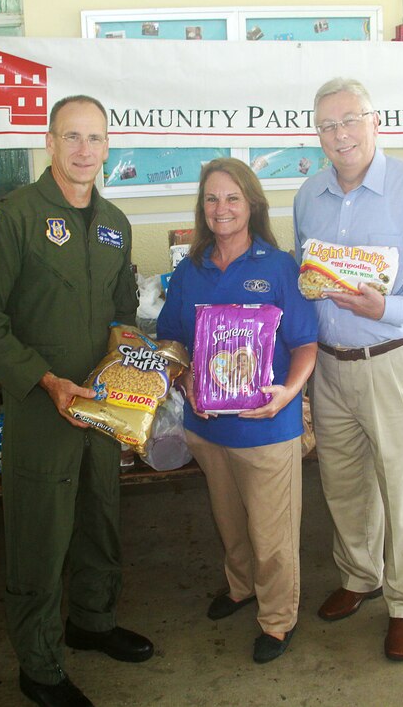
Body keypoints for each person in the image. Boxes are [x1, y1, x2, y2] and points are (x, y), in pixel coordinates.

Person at [0, 95, 150, 707]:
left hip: (100, 404)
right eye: (72, 137)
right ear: (49, 142)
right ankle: (38, 667)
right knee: (39, 538)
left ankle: (91, 623)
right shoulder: (11, 217)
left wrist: (130, 351)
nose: (84, 150)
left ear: (107, 146)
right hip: (43, 406)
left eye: (95, 138)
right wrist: (46, 382)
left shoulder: (115, 223)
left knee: (100, 518)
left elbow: (123, 310)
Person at [293, 78, 403, 662]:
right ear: (316, 135)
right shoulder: (309, 195)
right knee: (343, 482)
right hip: (331, 368)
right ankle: (359, 576)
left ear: (375, 122)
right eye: (327, 126)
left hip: (394, 363)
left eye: (350, 121)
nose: (339, 135)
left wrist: (386, 307)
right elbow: (307, 275)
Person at [156, 158, 318, 665]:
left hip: (266, 428)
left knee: (272, 535)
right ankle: (241, 587)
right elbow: (170, 339)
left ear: (252, 204)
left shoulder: (278, 267)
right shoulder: (190, 270)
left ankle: (277, 618)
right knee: (229, 523)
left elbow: (306, 343)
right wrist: (184, 380)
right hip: (207, 428)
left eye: (232, 198)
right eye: (211, 199)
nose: (220, 208)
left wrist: (288, 393)